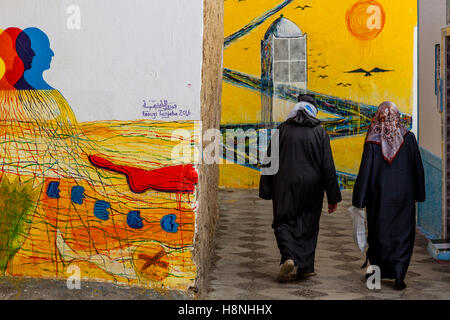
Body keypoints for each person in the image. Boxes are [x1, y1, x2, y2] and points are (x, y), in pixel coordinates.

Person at [259, 94, 342, 283]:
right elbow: (328, 166)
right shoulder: (319, 132)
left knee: (283, 220)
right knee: (309, 223)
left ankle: (288, 256)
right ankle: (305, 268)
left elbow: (270, 159)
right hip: (312, 187)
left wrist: (266, 188)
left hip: (284, 184)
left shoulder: (282, 129)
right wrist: (333, 197)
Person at [352, 101, 425, 291]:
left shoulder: (372, 139)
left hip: (379, 198)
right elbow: (417, 168)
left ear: (379, 116)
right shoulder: (408, 138)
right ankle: (399, 275)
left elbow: (365, 171)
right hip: (404, 198)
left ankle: (375, 277)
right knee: (403, 236)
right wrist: (419, 194)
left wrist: (359, 199)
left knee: (378, 236)